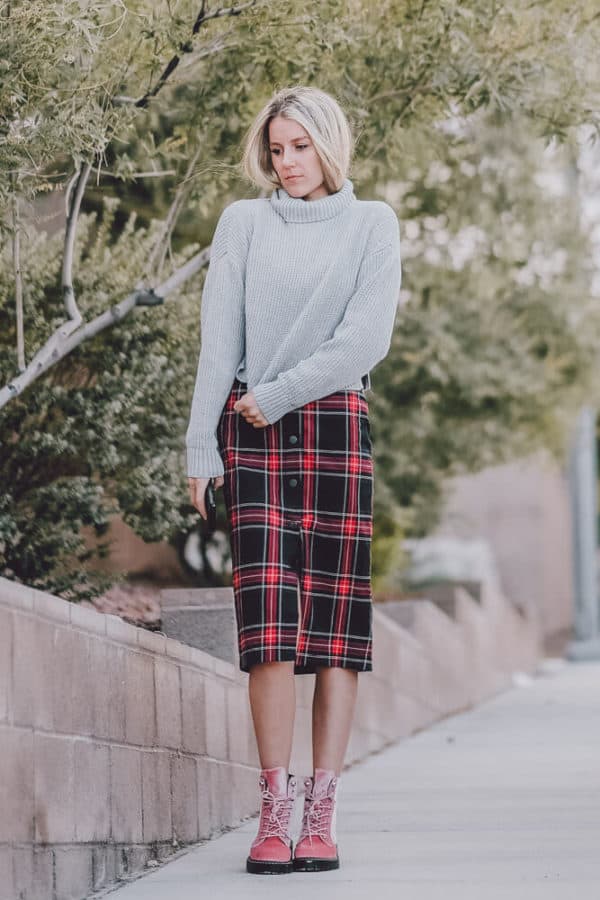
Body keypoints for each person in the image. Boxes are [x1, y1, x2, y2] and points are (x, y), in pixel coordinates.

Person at [186, 84, 402, 875]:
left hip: (333, 426)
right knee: (268, 627)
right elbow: (220, 338)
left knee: (337, 630)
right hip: (250, 438)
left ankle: (322, 813)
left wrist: (270, 398)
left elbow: (363, 342)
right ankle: (273, 813)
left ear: (329, 144)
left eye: (301, 147)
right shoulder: (244, 222)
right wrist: (199, 447)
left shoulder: (372, 224)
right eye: (277, 150)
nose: (288, 163)